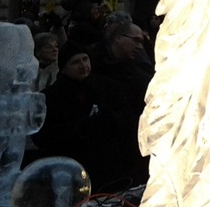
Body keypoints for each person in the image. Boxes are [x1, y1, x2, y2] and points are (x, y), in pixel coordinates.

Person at [34, 40, 143, 193]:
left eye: (85, 59)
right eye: (75, 62)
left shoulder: (108, 86)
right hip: (73, 169)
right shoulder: (52, 96)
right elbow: (45, 135)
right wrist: (79, 128)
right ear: (64, 68)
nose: (83, 65)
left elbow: (128, 118)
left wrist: (110, 120)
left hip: (110, 166)